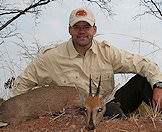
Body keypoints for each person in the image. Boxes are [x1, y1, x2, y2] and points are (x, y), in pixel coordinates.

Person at [12, 7, 162, 114]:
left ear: (94, 30)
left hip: (108, 106)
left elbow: (144, 64)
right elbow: (21, 85)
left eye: (86, 26)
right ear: (69, 30)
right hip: (76, 112)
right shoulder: (50, 58)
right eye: (76, 27)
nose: (82, 31)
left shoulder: (106, 51)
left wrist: (159, 85)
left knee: (144, 80)